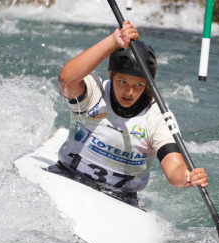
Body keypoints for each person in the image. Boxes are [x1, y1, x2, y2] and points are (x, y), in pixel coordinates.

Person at [54, 20, 208, 207]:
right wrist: (112, 41)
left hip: (120, 199)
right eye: (122, 82)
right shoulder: (95, 92)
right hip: (66, 176)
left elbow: (173, 165)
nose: (129, 92)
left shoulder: (157, 115)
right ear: (111, 75)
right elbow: (66, 80)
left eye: (138, 85)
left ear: (148, 85)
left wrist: (187, 177)